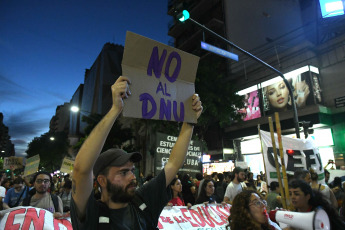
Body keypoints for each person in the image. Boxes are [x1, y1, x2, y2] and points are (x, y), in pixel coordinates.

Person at [70, 76, 202, 229]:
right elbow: (81, 169)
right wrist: (115, 110)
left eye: (132, 170)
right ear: (102, 180)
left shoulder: (142, 201)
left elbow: (173, 163)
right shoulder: (91, 216)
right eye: (123, 172)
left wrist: (190, 122)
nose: (133, 176)